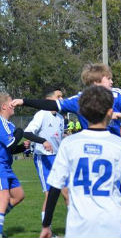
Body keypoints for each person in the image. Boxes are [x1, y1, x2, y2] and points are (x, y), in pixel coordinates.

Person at [39, 86, 121, 238]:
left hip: (78, 225)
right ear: (110, 113)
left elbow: (55, 188)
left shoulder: (68, 143)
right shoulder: (119, 145)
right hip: (112, 223)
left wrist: (46, 225)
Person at [12, 63, 121, 138]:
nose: (112, 81)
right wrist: (25, 101)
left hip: (114, 147)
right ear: (96, 81)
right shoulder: (79, 100)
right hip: (88, 147)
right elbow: (52, 104)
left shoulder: (116, 95)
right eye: (108, 78)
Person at [23, 87, 70, 223]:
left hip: (58, 159)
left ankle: (75, 229)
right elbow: (27, 132)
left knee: (67, 193)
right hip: (43, 158)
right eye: (59, 96)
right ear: (49, 100)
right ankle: (46, 230)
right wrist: (43, 141)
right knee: (50, 195)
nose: (62, 99)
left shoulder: (61, 118)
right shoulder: (42, 114)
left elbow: (59, 137)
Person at [0, 92, 31, 237]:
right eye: (11, 103)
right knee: (4, 196)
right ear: (4, 106)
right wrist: (20, 132)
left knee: (19, 195)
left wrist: (23, 147)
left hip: (7, 166)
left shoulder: (10, 125)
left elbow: (11, 149)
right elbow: (12, 143)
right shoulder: (0, 122)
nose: (14, 105)